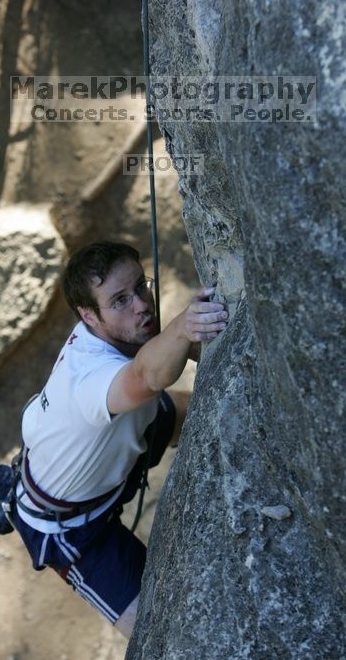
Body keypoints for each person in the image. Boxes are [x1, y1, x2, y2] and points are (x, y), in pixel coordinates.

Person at [12, 241, 228, 637]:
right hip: (72, 530)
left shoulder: (118, 332)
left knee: (186, 412)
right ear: (88, 316)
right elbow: (146, 377)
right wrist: (183, 326)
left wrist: (196, 333)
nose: (142, 305)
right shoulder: (90, 378)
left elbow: (162, 356)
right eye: (120, 300)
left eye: (141, 287)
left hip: (117, 438)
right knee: (160, 630)